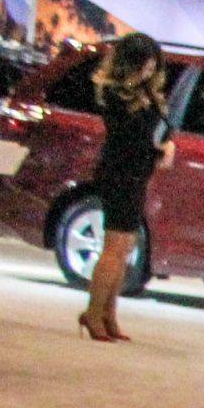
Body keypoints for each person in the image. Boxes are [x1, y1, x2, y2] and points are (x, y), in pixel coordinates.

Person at [78, 34, 172, 344]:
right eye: (143, 66)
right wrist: (158, 145)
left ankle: (108, 313)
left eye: (152, 67)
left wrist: (164, 143)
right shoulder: (115, 93)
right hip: (120, 174)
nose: (148, 72)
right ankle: (94, 313)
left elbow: (162, 127)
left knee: (125, 247)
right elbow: (135, 135)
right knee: (115, 248)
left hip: (136, 174)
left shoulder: (145, 93)